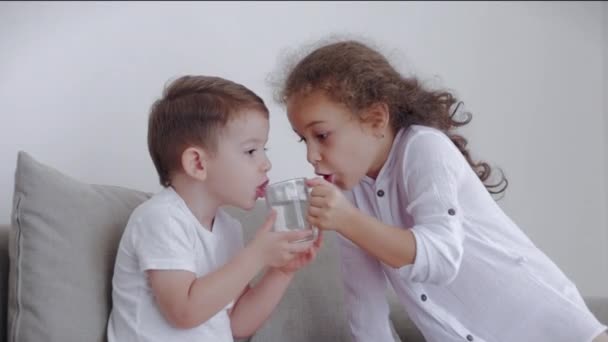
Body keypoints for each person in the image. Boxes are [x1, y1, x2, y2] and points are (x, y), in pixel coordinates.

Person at [278, 39, 608, 342]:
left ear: (376, 118)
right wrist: (346, 218)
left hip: (549, 328)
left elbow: (440, 258)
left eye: (321, 135)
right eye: (302, 139)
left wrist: (348, 220)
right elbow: (365, 304)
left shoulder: (424, 148)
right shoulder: (348, 194)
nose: (311, 155)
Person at [107, 75, 322, 341]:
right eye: (251, 151)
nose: (266, 163)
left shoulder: (229, 229)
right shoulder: (160, 219)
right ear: (198, 163)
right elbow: (184, 312)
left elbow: (238, 326)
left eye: (264, 149)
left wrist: (281, 271)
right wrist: (257, 255)